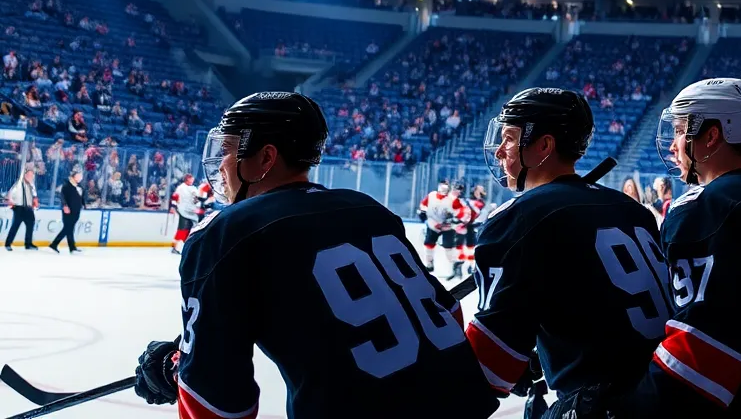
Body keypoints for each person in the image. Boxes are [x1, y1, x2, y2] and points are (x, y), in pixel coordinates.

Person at [131, 92, 497, 419]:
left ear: (266, 157)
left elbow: (217, 398)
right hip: (464, 403)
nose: (220, 163)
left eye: (227, 149)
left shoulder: (225, 231)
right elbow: (445, 312)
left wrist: (183, 369)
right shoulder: (367, 208)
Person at [552, 77, 741, 418]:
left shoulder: (704, 207)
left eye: (681, 131)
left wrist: (625, 409)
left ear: (712, 135)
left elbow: (703, 348)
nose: (672, 146)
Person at [468, 88, 669, 401]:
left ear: (545, 145)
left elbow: (490, 363)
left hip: (600, 402)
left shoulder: (521, 216)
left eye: (509, 138)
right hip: (660, 391)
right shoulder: (633, 210)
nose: (499, 151)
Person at [417, 180, 455, 273]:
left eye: (446, 185)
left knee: (449, 247)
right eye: (442, 185)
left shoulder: (452, 199)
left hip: (447, 226)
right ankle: (429, 264)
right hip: (433, 225)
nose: (443, 188)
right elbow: (423, 205)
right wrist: (425, 212)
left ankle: (455, 266)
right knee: (428, 245)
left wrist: (451, 218)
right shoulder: (432, 195)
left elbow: (458, 212)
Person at [49, 168, 83, 254]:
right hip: (68, 210)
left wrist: (84, 204)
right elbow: (62, 196)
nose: (80, 177)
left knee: (70, 229)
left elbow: (81, 197)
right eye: (79, 175)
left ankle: (72, 247)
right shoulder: (67, 185)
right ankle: (54, 244)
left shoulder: (79, 186)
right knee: (68, 228)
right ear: (73, 176)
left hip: (76, 210)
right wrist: (65, 205)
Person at [169, 174, 204, 255]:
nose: (192, 180)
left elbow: (197, 198)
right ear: (187, 179)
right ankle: (176, 247)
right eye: (191, 178)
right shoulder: (181, 188)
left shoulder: (193, 188)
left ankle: (187, 246)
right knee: (182, 230)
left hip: (192, 211)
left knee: (189, 230)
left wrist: (197, 200)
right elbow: (175, 197)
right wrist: (173, 207)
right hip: (183, 211)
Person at [5, 167, 38, 250]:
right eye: (29, 175)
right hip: (19, 207)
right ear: (25, 175)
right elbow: (10, 194)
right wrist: (11, 202)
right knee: (15, 226)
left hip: (28, 208)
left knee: (30, 225)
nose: (30, 177)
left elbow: (34, 196)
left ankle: (28, 244)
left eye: (32, 175)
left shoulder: (32, 185)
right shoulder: (19, 183)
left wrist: (35, 202)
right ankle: (8, 243)